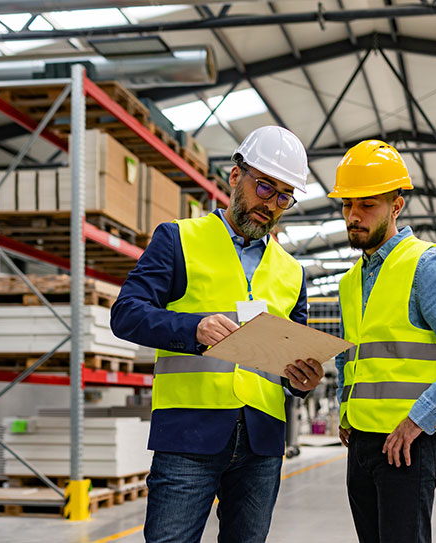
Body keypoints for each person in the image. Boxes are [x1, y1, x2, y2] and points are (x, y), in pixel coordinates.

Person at [111, 126, 324, 543]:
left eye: (284, 197)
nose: (271, 204)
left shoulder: (292, 272)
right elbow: (126, 314)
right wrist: (193, 327)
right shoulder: (178, 240)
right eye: (265, 187)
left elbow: (288, 355)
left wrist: (301, 380)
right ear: (234, 176)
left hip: (262, 443)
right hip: (188, 434)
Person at [328, 140, 436, 543]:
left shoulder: (427, 265)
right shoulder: (349, 281)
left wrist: (421, 419)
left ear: (396, 205)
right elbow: (350, 355)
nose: (353, 215)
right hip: (361, 444)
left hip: (406, 445)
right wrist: (344, 408)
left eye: (367, 204)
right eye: (347, 204)